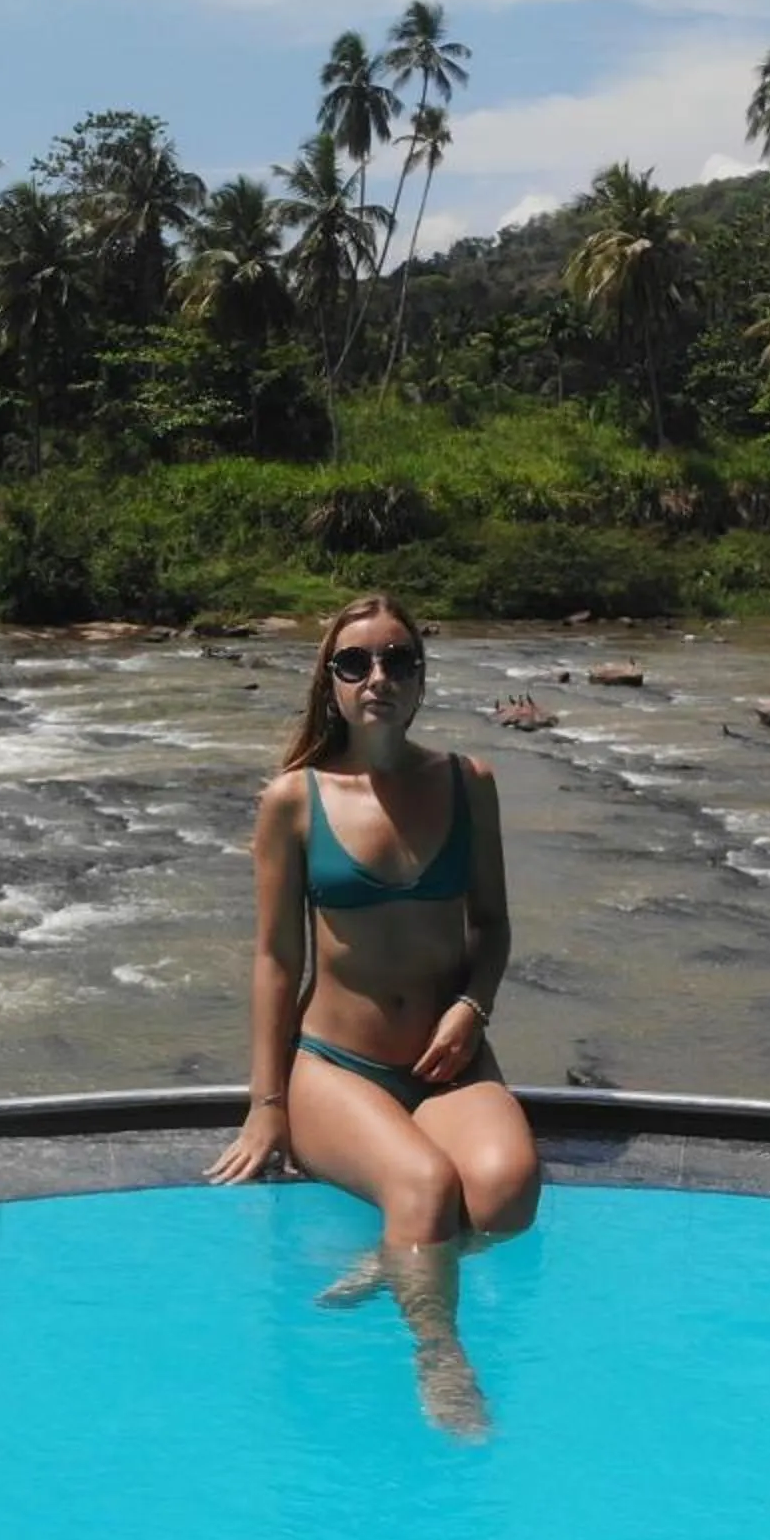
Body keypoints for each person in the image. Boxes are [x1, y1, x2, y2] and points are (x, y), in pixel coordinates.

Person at [206, 594, 540, 1438]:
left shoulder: (469, 784)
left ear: (422, 678)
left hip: (446, 1063)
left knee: (506, 1196)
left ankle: (398, 1260)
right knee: (425, 1186)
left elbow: (493, 926)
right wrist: (266, 1104)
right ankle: (438, 1352)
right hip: (336, 1068)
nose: (377, 677)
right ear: (330, 683)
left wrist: (473, 1005)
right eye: (355, 663)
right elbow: (277, 960)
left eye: (397, 659)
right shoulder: (293, 800)